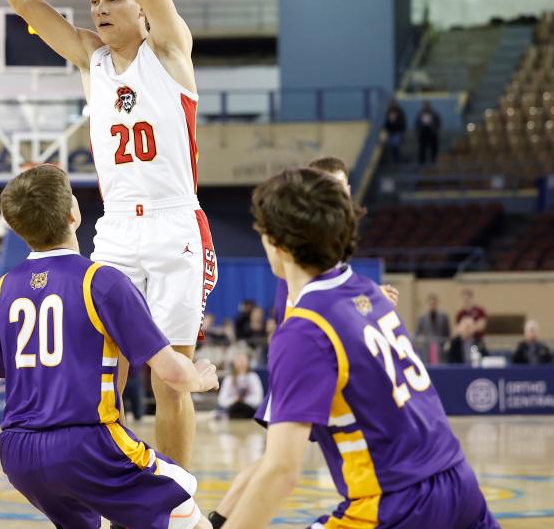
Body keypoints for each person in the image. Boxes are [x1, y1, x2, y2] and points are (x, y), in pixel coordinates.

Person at [0, 0, 217, 470]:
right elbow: (26, 0)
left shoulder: (171, 52)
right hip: (116, 232)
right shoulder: (88, 61)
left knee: (171, 380)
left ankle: (176, 503)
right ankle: (109, 481)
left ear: (141, 9)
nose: (100, 8)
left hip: (175, 226)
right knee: (101, 368)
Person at [211, 168, 497, 529]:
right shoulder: (368, 292)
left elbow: (281, 470)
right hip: (459, 482)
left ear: (277, 243)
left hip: (397, 502)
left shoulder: (303, 330)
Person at [0, 165, 217, 529]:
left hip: (19, 454)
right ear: (74, 214)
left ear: (18, 228)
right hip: (87, 446)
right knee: (188, 509)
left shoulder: (1, 290)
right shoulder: (102, 281)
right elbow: (173, 372)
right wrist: (202, 378)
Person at [270, 157, 399, 331]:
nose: (334, 194)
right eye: (327, 187)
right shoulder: (306, 235)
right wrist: (368, 297)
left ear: (348, 190)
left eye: (339, 187)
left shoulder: (337, 233)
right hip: (299, 330)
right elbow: (320, 298)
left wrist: (368, 294)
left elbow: (334, 290)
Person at [216, 352, 264, 420]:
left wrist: (244, 401)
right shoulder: (229, 378)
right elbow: (221, 400)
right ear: (234, 363)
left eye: (243, 361)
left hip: (250, 412)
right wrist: (234, 400)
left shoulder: (253, 377)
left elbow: (258, 398)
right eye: (239, 361)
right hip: (231, 412)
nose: (241, 363)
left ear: (248, 362)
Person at [414, 292, 451, 364]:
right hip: (426, 347)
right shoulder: (422, 318)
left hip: (440, 347)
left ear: (437, 303)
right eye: (430, 303)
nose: (432, 305)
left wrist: (446, 345)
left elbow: (447, 334)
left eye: (434, 303)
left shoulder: (444, 317)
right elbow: (417, 333)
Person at [416, 100, 442, 165]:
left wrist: (435, 129)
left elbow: (438, 122)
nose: (426, 107)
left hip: (432, 133)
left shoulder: (434, 114)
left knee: (434, 148)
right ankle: (422, 161)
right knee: (422, 148)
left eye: (427, 105)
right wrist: (418, 130)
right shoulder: (420, 114)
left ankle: (434, 159)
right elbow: (417, 123)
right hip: (423, 133)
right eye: (425, 105)